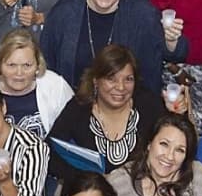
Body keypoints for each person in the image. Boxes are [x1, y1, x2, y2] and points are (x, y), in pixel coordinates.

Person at [40, 0, 185, 92]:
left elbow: (177, 54)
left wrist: (171, 41)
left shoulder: (143, 13)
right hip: (74, 103)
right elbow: (46, 60)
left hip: (129, 104)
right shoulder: (65, 11)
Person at [47, 42, 171, 185]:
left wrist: (179, 114)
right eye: (111, 79)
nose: (121, 87)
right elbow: (48, 152)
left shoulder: (149, 105)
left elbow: (177, 143)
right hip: (91, 194)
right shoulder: (79, 107)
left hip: (142, 193)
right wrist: (84, 177)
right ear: (95, 81)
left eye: (128, 79)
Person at [0, 29, 73, 143]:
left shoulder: (56, 86)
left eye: (27, 65)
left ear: (37, 65)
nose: (19, 73)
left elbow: (75, 129)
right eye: (12, 65)